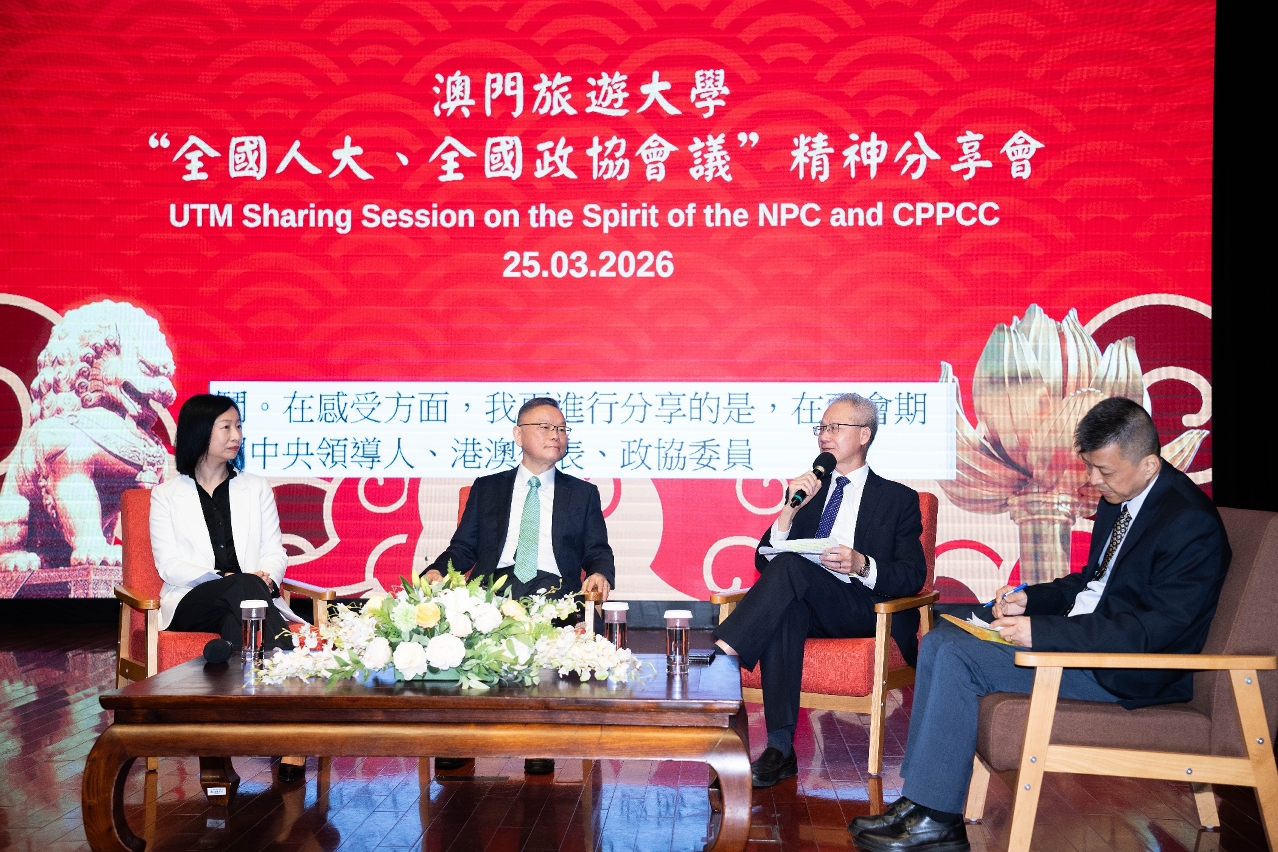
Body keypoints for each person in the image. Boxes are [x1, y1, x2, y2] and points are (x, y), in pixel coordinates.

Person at [850, 396, 1231, 852]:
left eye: (1104, 471)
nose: (1093, 480)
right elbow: (1093, 583)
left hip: (1123, 668)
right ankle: (921, 802)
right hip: (1082, 642)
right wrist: (1031, 599)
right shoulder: (1125, 496)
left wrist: (1044, 633)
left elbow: (1154, 631)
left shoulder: (1189, 523)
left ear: (1149, 464)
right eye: (1089, 467)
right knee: (941, 633)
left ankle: (936, 817)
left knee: (954, 653)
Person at [713, 393, 928, 788]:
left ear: (864, 435)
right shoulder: (810, 492)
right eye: (821, 428)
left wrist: (862, 564)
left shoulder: (898, 499)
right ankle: (780, 749)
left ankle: (723, 654)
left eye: (834, 427)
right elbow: (765, 562)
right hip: (812, 604)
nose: (824, 436)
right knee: (788, 605)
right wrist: (789, 510)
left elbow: (913, 575)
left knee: (792, 567)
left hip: (864, 607)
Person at [421, 396, 616, 775]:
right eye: (545, 427)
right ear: (518, 434)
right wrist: (436, 571)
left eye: (561, 429)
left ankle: (537, 736)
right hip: (494, 589)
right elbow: (463, 548)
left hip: (555, 591)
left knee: (545, 616)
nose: (556, 435)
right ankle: (460, 737)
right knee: (462, 620)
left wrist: (600, 574)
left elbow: (597, 550)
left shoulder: (582, 494)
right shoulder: (487, 488)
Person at [150, 394, 307, 782]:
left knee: (234, 624)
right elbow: (169, 565)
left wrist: (267, 576)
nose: (237, 435)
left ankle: (220, 756)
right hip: (192, 600)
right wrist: (229, 580)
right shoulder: (166, 495)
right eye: (227, 427)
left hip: (246, 603)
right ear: (201, 432)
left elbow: (275, 551)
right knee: (240, 587)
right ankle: (296, 714)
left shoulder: (256, 488)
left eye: (239, 426)